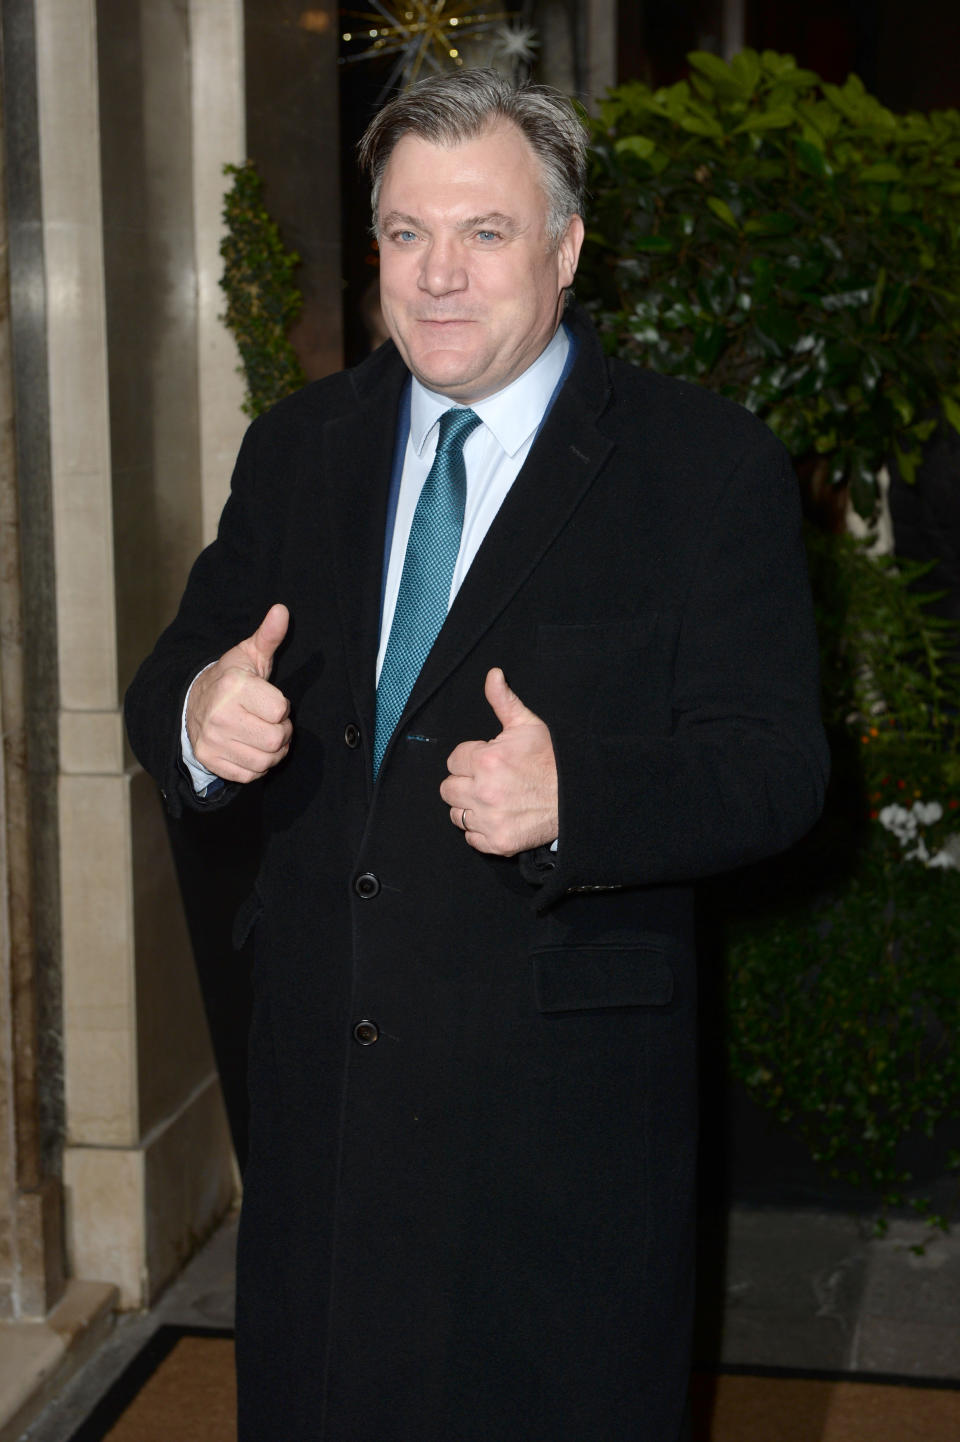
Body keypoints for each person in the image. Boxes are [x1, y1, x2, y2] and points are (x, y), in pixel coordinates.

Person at [125, 68, 828, 1442]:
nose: (439, 275)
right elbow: (171, 677)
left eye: (486, 233)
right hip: (326, 1111)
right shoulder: (301, 447)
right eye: (404, 233)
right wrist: (200, 714)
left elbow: (776, 767)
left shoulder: (702, 466)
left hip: (555, 1147)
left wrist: (584, 801)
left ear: (567, 248)